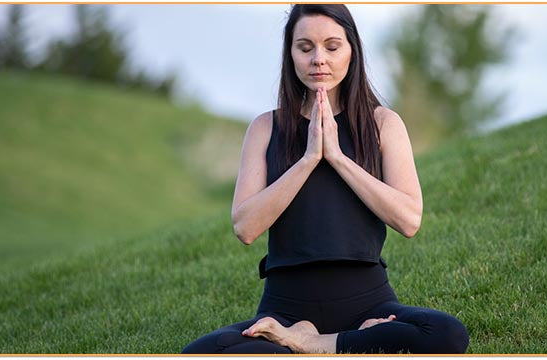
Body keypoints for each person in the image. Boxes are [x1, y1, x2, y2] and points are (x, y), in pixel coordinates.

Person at [181, 4, 469, 354]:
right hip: (284, 310)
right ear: (290, 55)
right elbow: (245, 227)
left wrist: (337, 157)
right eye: (305, 48)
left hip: (369, 305)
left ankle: (319, 344)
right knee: (198, 353)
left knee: (446, 334)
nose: (319, 59)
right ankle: (324, 342)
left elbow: (409, 220)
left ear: (352, 52)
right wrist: (308, 159)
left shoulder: (383, 124)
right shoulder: (265, 128)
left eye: (332, 47)